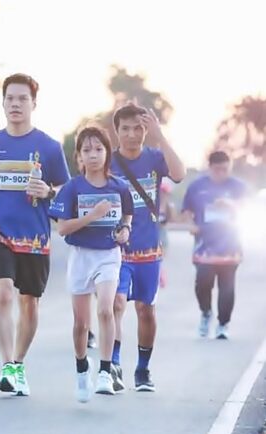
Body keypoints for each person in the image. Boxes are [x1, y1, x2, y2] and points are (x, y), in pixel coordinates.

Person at [0, 73, 70, 397]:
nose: (15, 104)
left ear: (33, 104)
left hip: (35, 236)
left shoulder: (49, 148)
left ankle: (19, 363)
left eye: (22, 98)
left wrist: (49, 192)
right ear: (3, 103)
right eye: (10, 98)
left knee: (29, 303)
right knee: (3, 294)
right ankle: (6, 365)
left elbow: (67, 191)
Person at [49, 125, 133, 402]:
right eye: (87, 150)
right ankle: (82, 368)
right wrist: (92, 216)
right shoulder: (72, 188)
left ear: (108, 153)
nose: (93, 155)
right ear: (79, 157)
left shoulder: (119, 187)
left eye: (98, 149)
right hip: (81, 256)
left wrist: (125, 230)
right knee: (81, 325)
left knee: (106, 309)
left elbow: (127, 215)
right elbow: (63, 228)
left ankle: (105, 372)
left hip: (108, 255)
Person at [110, 102, 185, 392]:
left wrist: (160, 136)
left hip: (148, 249)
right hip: (115, 249)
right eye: (125, 129)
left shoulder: (155, 157)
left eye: (138, 128)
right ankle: (113, 365)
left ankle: (142, 369)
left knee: (145, 310)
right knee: (116, 304)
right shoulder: (108, 162)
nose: (132, 134)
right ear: (116, 131)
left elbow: (179, 173)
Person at [182, 150, 247, 339]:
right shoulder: (196, 186)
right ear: (209, 167)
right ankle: (206, 312)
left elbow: (246, 207)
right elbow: (186, 210)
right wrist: (190, 224)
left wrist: (230, 205)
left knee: (227, 288)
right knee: (202, 283)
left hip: (230, 246)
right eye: (217, 169)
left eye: (225, 169)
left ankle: (223, 324)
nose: (221, 173)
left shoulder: (238, 186)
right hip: (204, 246)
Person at [158, 180, 176, 288]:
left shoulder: (168, 206)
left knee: (160, 258)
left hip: (162, 236)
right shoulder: (152, 204)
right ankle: (160, 276)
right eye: (161, 192)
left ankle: (161, 276)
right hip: (152, 235)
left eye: (165, 193)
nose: (163, 195)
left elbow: (172, 219)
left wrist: (169, 205)